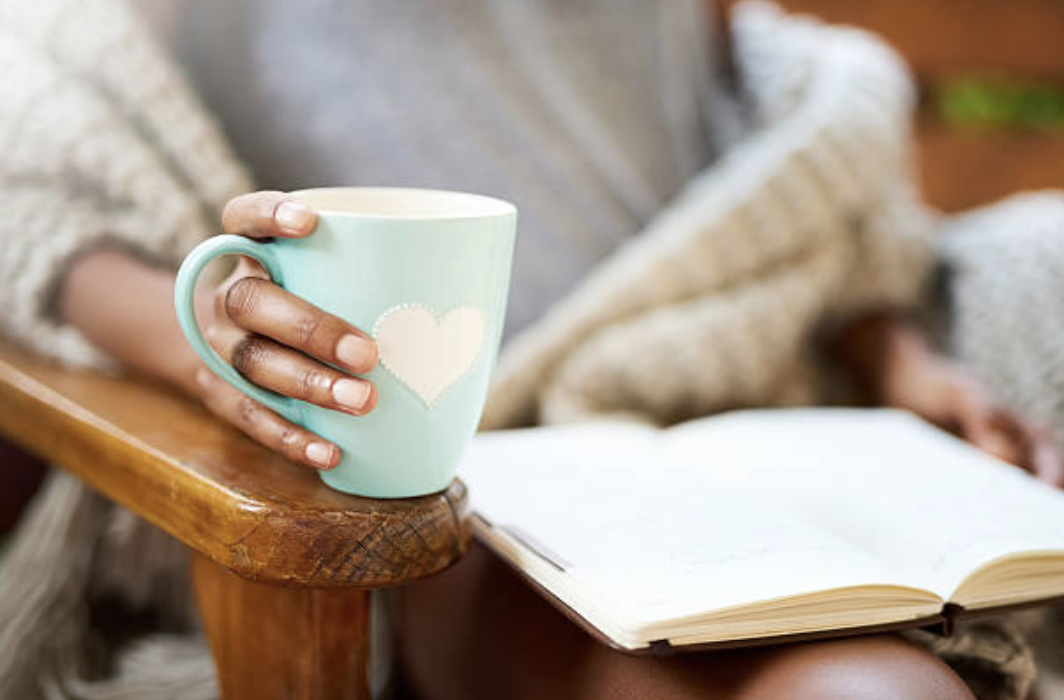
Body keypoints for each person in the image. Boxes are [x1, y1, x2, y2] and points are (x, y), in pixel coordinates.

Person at [1, 0, 1061, 698]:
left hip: (752, 438)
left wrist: (903, 363)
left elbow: (797, 211)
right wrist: (214, 332)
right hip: (472, 501)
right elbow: (45, 194)